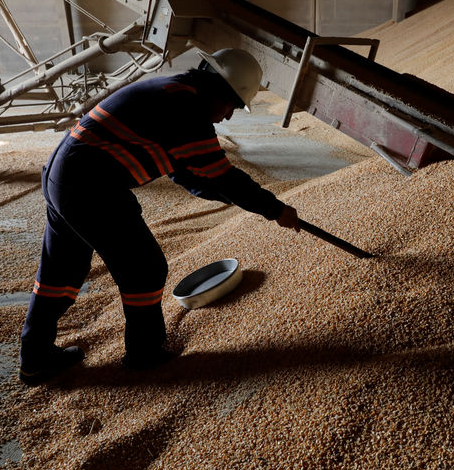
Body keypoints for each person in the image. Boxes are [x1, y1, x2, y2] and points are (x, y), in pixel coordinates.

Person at [18, 48, 300, 385]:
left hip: (63, 177)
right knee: (145, 268)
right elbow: (224, 177)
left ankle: (34, 358)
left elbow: (191, 174)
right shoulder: (186, 108)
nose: (227, 118)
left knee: (61, 272)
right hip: (91, 186)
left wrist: (240, 199)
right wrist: (275, 209)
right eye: (233, 106)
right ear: (220, 90)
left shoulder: (174, 93)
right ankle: (145, 354)